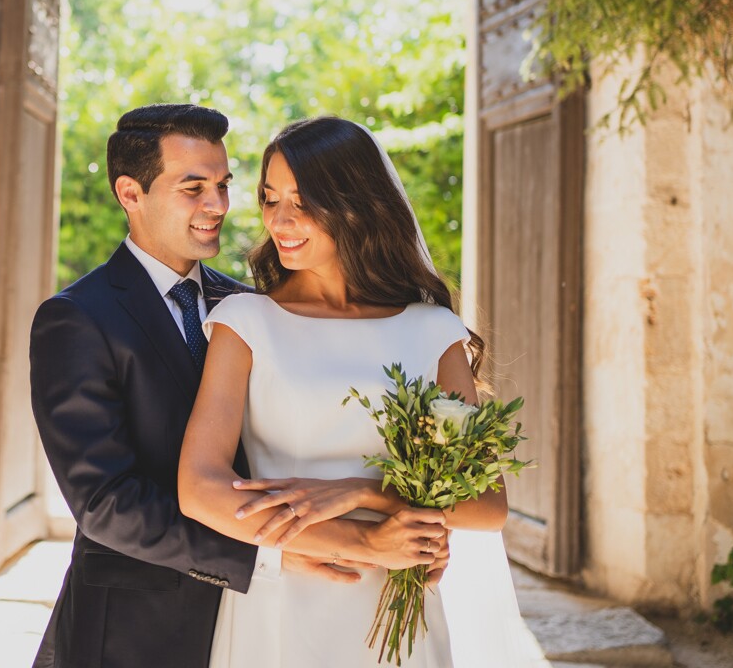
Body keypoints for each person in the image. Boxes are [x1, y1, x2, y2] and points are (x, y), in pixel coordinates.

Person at [29, 105, 451, 668]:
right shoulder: (77, 318)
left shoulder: (249, 306)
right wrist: (272, 554)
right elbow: (106, 504)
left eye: (224, 186)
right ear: (130, 193)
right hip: (138, 631)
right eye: (194, 187)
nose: (218, 206)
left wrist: (398, 511)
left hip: (273, 623)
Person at [179, 116, 527, 668]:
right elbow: (199, 487)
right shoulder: (245, 321)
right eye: (271, 199)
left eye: (304, 200)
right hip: (282, 605)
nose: (281, 220)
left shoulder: (433, 331)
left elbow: (487, 506)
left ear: (357, 202)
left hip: (400, 607)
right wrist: (355, 538)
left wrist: (361, 493)